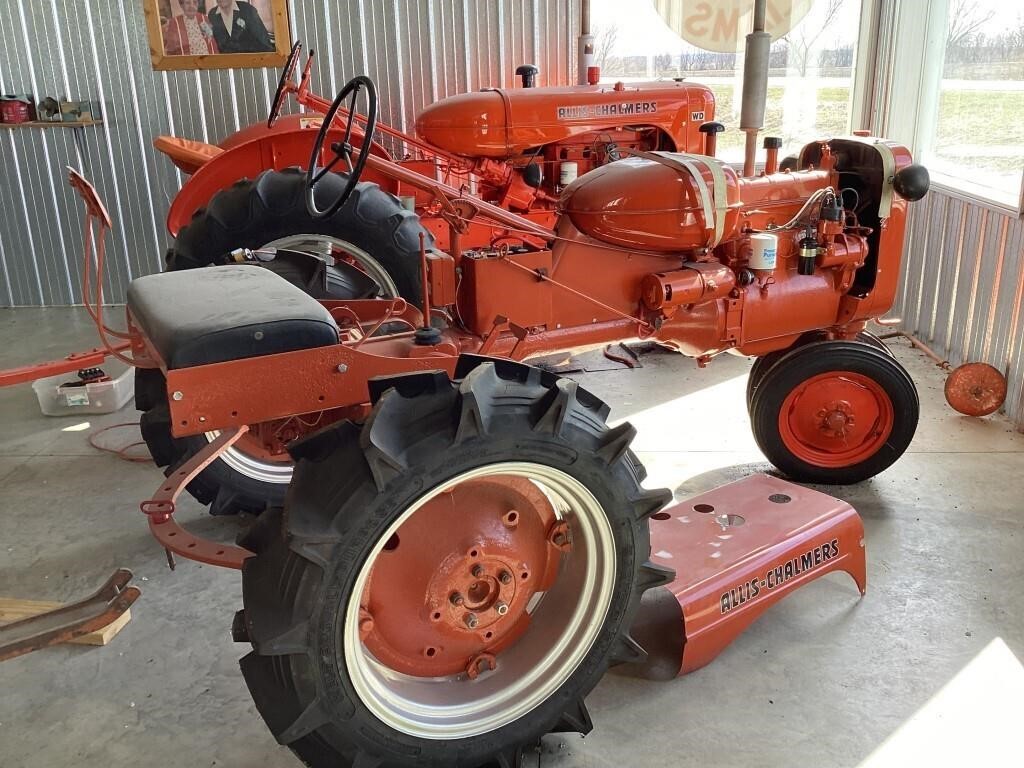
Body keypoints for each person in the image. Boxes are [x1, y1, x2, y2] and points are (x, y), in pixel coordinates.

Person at [207, 0, 274, 53]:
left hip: (251, 62)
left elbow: (264, 41)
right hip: (225, 64)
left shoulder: (247, 10)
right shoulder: (212, 15)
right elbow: (212, 43)